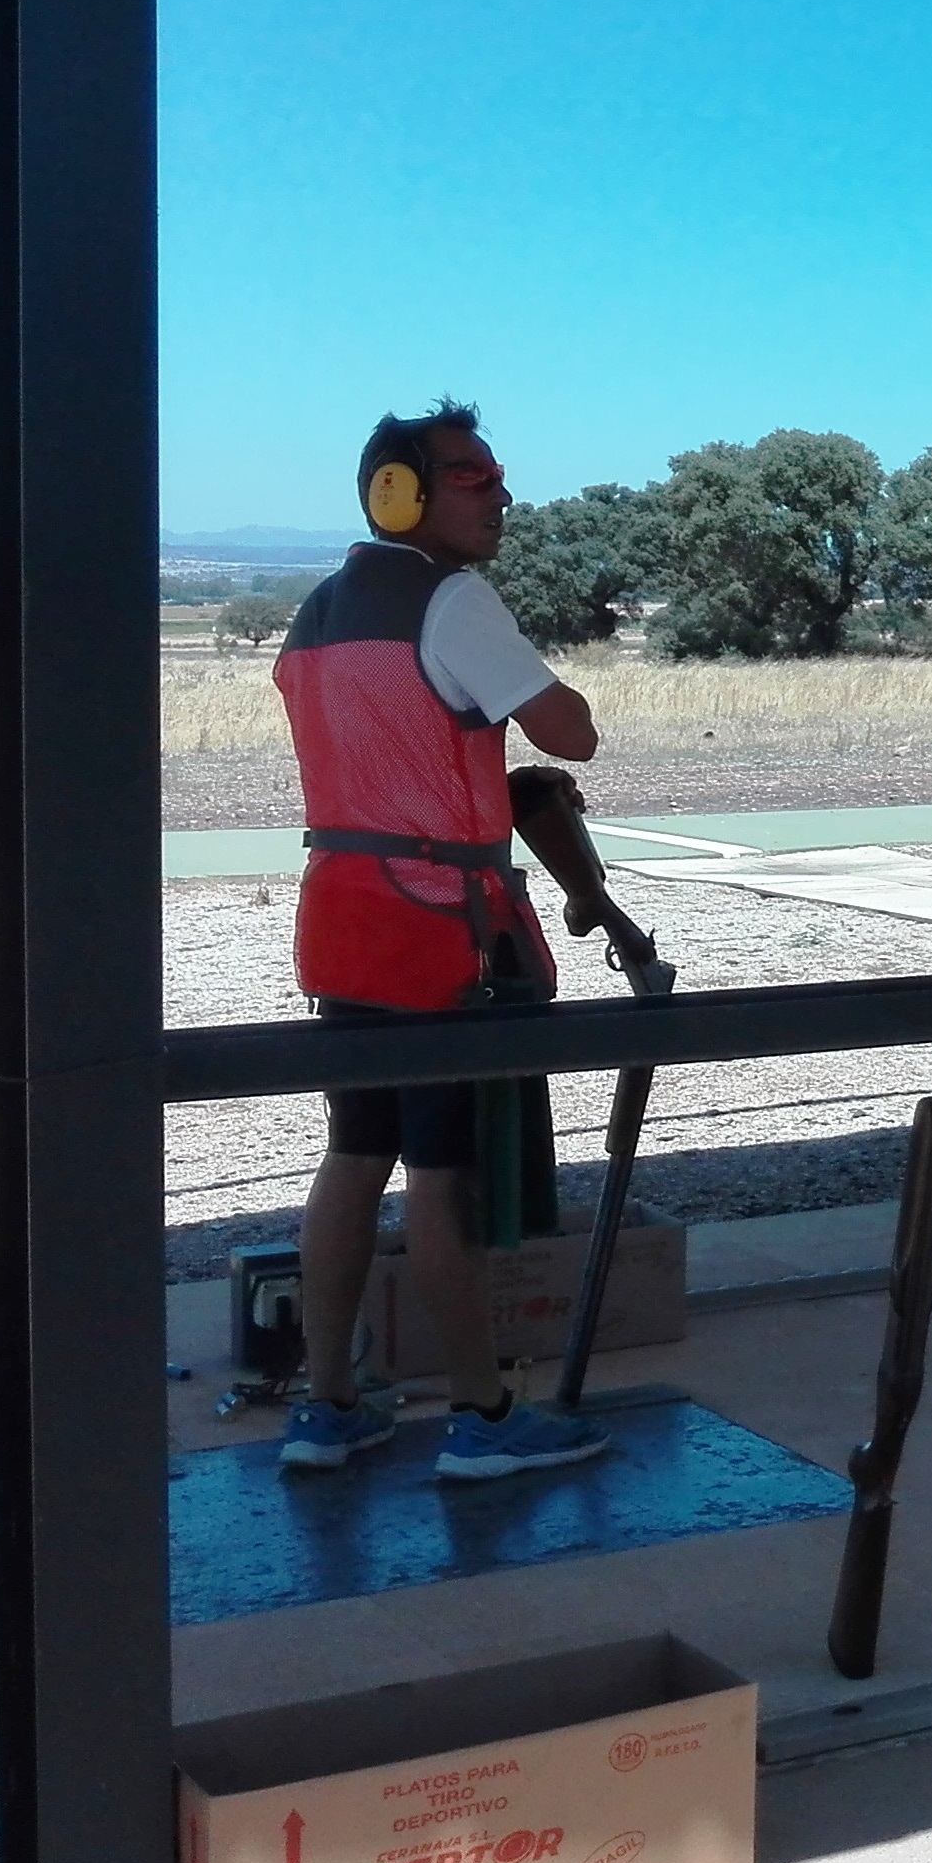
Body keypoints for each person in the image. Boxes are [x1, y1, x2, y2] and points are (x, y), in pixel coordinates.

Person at [276, 404, 614, 1480]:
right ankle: (483, 1415)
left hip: (342, 918)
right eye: (472, 477)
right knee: (441, 1174)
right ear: (400, 494)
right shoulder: (454, 600)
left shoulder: (316, 612)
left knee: (353, 1152)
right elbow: (571, 734)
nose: (499, 496)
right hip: (438, 932)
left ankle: (326, 1405)